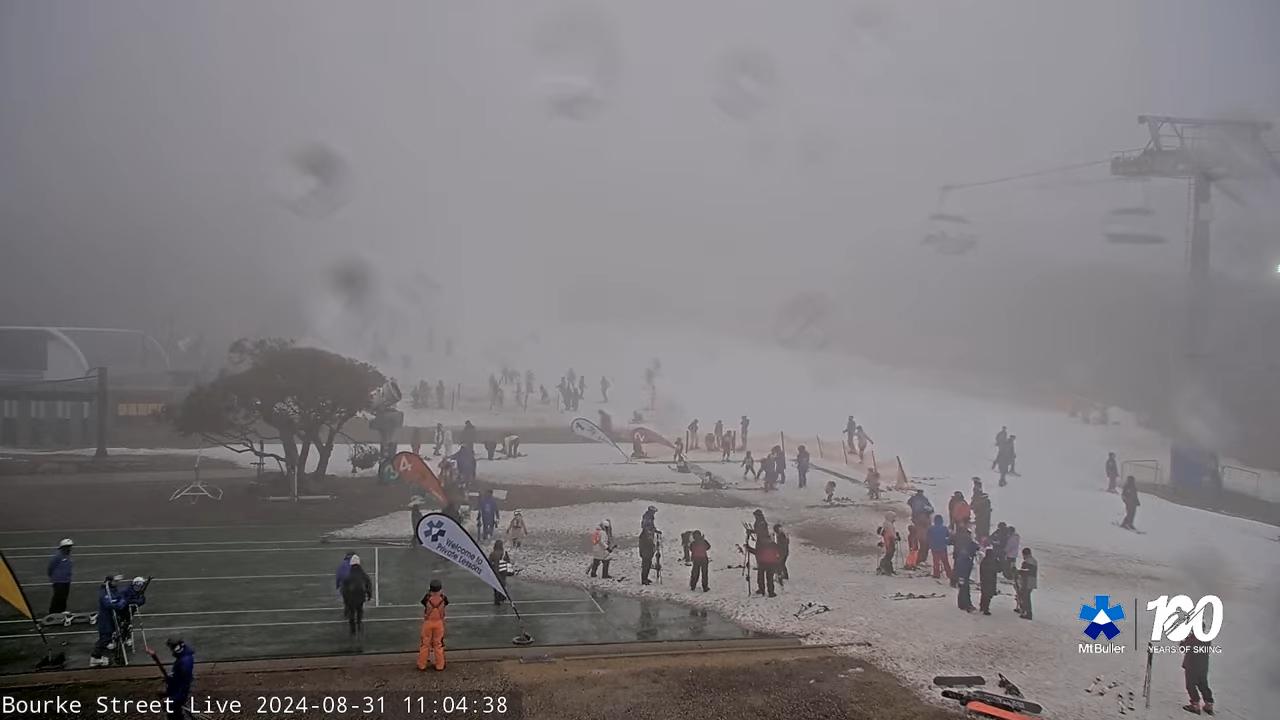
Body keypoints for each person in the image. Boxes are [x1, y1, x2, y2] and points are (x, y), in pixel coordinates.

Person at [89, 576, 127, 667]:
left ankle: (97, 655)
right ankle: (95, 657)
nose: (116, 583)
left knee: (108, 636)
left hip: (111, 618)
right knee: (105, 637)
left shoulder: (113, 590)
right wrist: (119, 604)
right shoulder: (104, 592)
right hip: (105, 619)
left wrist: (119, 602)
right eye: (114, 581)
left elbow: (120, 598)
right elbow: (109, 604)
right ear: (109, 582)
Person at [418, 579, 448, 671]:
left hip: (428, 623)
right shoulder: (443, 598)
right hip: (439, 623)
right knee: (438, 644)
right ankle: (440, 665)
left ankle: (422, 665)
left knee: (425, 644)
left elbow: (424, 603)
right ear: (440, 589)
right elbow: (444, 607)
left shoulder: (427, 598)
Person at [1181, 636, 1215, 715]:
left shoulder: (1191, 639)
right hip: (1203, 666)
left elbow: (1183, 648)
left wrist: (1183, 641)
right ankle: (1208, 703)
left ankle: (1195, 704)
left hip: (1192, 665)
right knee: (1203, 684)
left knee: (1190, 685)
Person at [163, 638, 195, 720]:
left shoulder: (184, 662)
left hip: (178, 694)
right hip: (176, 692)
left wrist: (174, 699)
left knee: (175, 715)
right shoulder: (184, 658)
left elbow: (184, 685)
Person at [341, 555, 373, 636]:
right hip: (360, 596)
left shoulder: (348, 575)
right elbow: (368, 584)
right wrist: (369, 594)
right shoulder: (363, 574)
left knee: (351, 612)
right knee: (359, 610)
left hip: (350, 597)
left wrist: (345, 599)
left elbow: (343, 588)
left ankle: (352, 629)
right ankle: (359, 623)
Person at [747, 529, 781, 596]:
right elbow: (778, 554)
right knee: (769, 579)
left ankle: (762, 590)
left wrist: (749, 548)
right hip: (771, 564)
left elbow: (757, 552)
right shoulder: (774, 545)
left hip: (763, 563)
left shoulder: (763, 545)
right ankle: (771, 592)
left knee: (762, 578)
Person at [117, 577, 147, 649]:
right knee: (120, 624)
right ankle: (117, 638)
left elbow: (142, 600)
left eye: (140, 586)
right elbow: (125, 601)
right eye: (138, 586)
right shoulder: (125, 591)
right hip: (121, 611)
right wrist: (136, 601)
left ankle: (127, 637)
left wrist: (138, 601)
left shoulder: (138, 592)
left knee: (128, 624)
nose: (139, 588)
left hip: (130, 611)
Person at [47, 538, 73, 616]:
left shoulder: (67, 556)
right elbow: (50, 567)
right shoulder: (57, 556)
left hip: (66, 580)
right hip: (58, 581)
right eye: (68, 546)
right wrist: (53, 577)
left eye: (70, 546)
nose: (70, 548)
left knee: (64, 596)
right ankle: (53, 612)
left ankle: (62, 610)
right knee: (58, 596)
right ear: (63, 547)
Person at [907, 490, 934, 565]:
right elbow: (931, 509)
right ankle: (920, 560)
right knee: (923, 544)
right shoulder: (924, 500)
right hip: (921, 528)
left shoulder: (913, 499)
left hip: (917, 522)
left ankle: (914, 562)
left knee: (916, 547)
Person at [954, 538, 978, 612]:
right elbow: (961, 567)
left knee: (964, 589)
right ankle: (966, 605)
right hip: (963, 576)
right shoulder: (965, 557)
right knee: (964, 590)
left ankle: (963, 604)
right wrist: (961, 578)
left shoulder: (966, 554)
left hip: (964, 576)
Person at [927, 515, 952, 580]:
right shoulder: (944, 528)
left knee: (936, 561)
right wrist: (947, 542)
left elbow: (928, 537)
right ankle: (949, 574)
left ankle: (936, 574)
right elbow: (948, 536)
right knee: (945, 561)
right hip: (942, 547)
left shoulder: (931, 529)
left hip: (934, 547)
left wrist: (930, 544)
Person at [1015, 547, 1037, 619]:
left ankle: (1027, 613)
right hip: (1032, 581)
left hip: (1027, 581)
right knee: (1026, 597)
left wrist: (1018, 571)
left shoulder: (1027, 562)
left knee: (1025, 597)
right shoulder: (1034, 560)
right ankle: (1025, 611)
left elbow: (1025, 572)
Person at [978, 544, 1000, 615]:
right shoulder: (992, 562)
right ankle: (985, 609)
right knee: (988, 596)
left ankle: (982, 606)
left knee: (984, 594)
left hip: (984, 580)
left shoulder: (984, 561)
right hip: (990, 581)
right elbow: (998, 569)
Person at [876, 511, 899, 576]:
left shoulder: (886, 524)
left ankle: (886, 568)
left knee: (889, 555)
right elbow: (891, 534)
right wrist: (895, 537)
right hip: (889, 541)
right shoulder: (888, 525)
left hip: (888, 541)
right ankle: (884, 568)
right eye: (893, 517)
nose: (894, 519)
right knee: (889, 555)